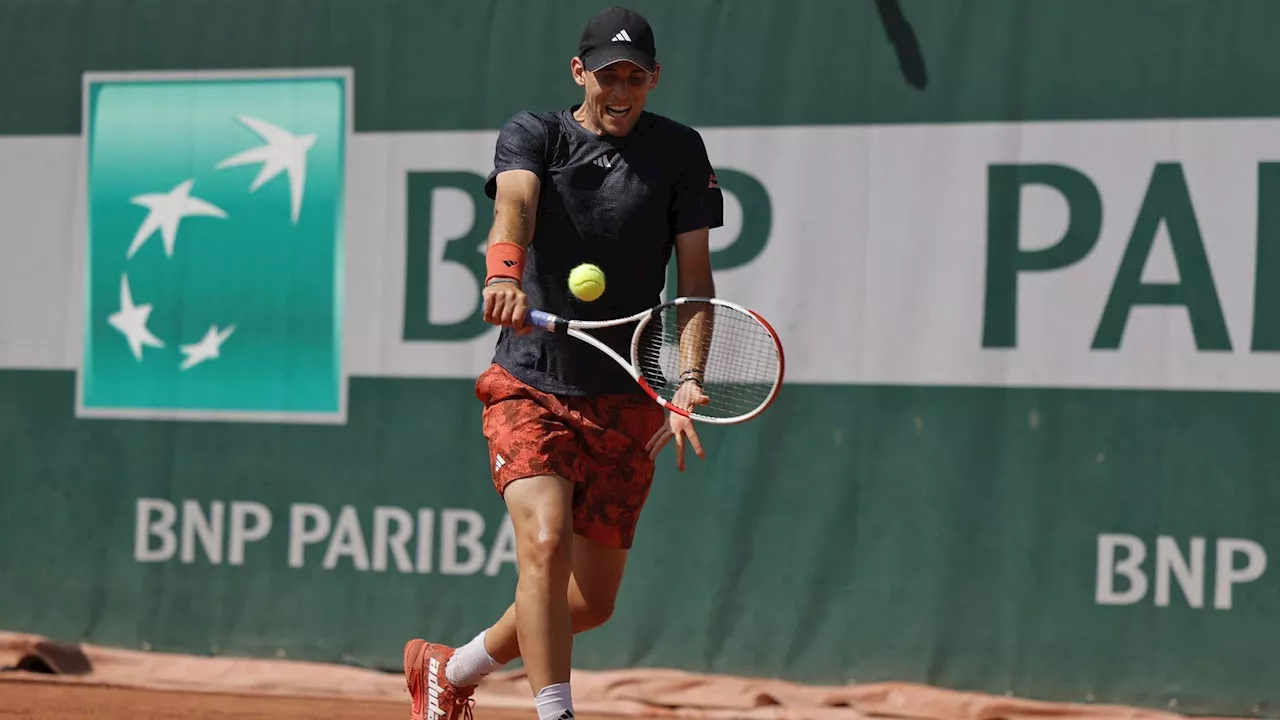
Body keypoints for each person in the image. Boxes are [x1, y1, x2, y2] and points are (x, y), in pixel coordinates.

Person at [403, 6, 723, 720]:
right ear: (580, 73)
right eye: (607, 74)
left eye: (634, 76)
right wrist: (505, 273)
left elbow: (695, 283)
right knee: (542, 547)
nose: (620, 88)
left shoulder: (679, 151)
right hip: (529, 381)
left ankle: (453, 669)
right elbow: (514, 202)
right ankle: (557, 713)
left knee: (592, 602)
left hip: (628, 393)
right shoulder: (536, 134)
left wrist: (688, 377)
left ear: (653, 79)